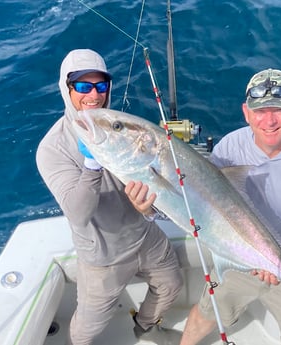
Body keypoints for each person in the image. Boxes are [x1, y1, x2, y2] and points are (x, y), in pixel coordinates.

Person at [178, 68, 281, 345]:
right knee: (206, 313)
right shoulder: (230, 147)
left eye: (278, 110)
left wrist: (278, 260)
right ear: (246, 112)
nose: (268, 120)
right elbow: (206, 201)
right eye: (259, 111)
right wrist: (149, 207)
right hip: (238, 257)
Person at [36, 49, 183, 345]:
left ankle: (145, 326)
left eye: (100, 86)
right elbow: (78, 214)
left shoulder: (123, 127)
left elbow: (156, 186)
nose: (93, 94)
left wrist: (149, 210)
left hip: (145, 236)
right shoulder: (52, 149)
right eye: (82, 86)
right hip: (103, 255)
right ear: (66, 89)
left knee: (172, 284)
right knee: (88, 328)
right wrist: (92, 163)